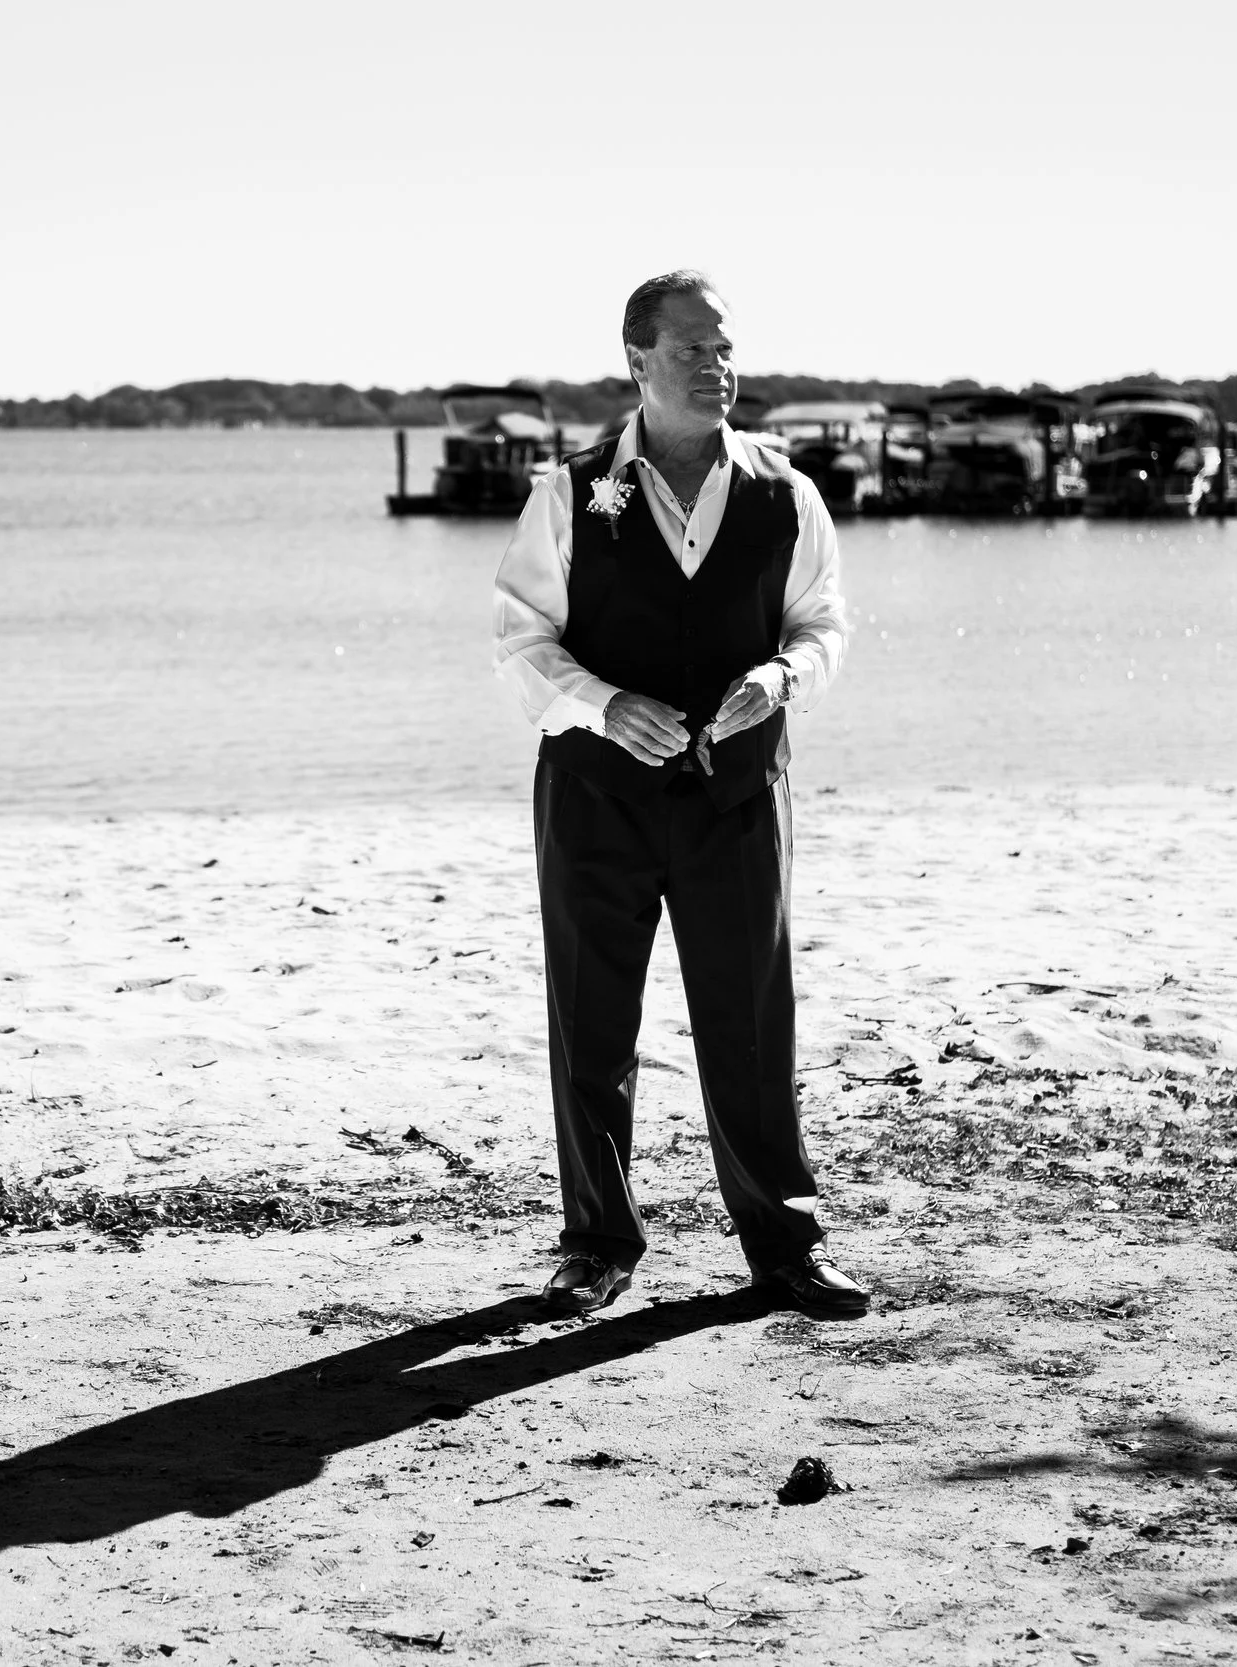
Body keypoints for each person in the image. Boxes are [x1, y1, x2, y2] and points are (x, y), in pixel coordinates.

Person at [490, 269, 865, 1318]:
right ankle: (596, 1244)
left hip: (737, 797)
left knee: (752, 1019)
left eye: (725, 348)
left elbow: (823, 625)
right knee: (591, 1020)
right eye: (694, 348)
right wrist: (604, 705)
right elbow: (520, 642)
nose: (717, 367)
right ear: (638, 359)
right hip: (595, 795)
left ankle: (785, 1245)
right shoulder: (568, 493)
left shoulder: (787, 493)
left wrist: (779, 678)